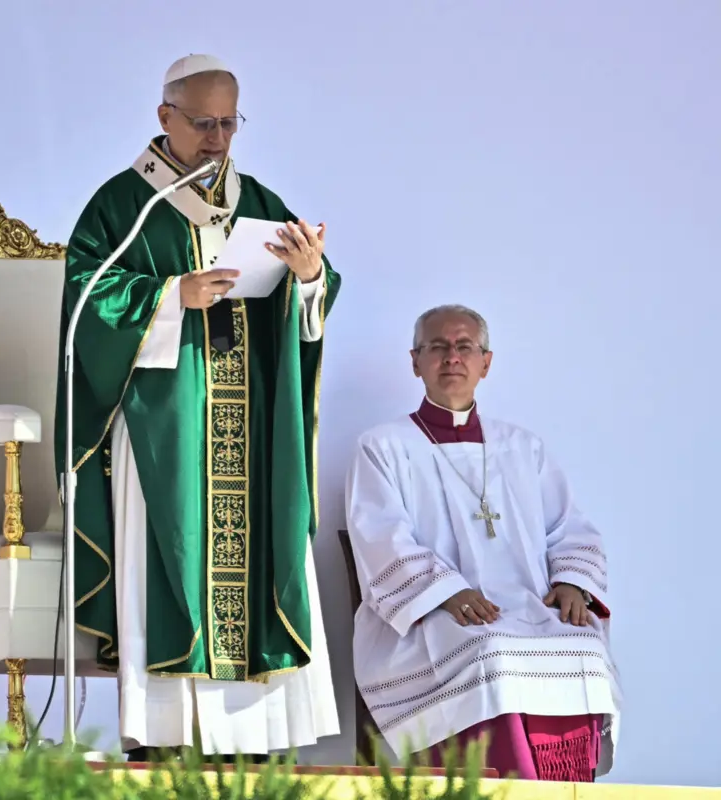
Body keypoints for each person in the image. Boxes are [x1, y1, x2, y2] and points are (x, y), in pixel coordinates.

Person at [56, 54, 341, 761]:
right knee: (172, 556)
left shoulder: (262, 203)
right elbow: (86, 302)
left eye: (230, 123)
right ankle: (167, 738)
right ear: (165, 118)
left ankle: (255, 741)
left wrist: (308, 279)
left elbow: (308, 297)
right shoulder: (124, 205)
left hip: (251, 428)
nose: (218, 139)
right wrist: (167, 297)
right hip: (164, 428)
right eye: (204, 123)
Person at [343, 304, 621, 781]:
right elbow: (381, 536)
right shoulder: (383, 446)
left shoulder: (523, 447)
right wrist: (447, 591)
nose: (452, 357)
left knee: (585, 649)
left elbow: (569, 526)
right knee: (492, 655)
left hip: (527, 605)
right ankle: (503, 788)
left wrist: (573, 583)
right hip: (432, 616)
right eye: (438, 347)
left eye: (464, 346)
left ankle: (565, 788)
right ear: (416, 361)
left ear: (485, 363)